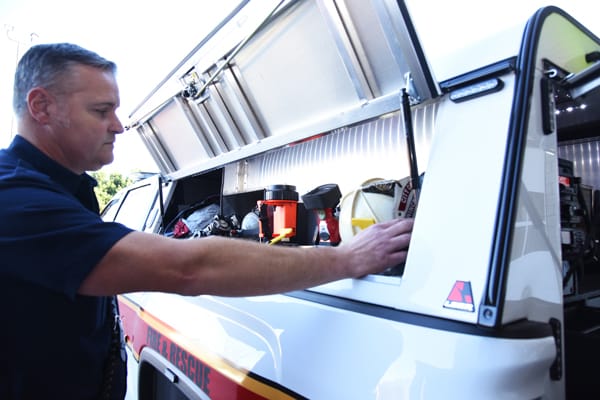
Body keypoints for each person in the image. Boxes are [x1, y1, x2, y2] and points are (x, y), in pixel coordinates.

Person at [0, 43, 413, 399]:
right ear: (41, 107)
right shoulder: (16, 201)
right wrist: (347, 259)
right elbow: (187, 267)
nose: (119, 125)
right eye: (102, 110)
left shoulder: (65, 190)